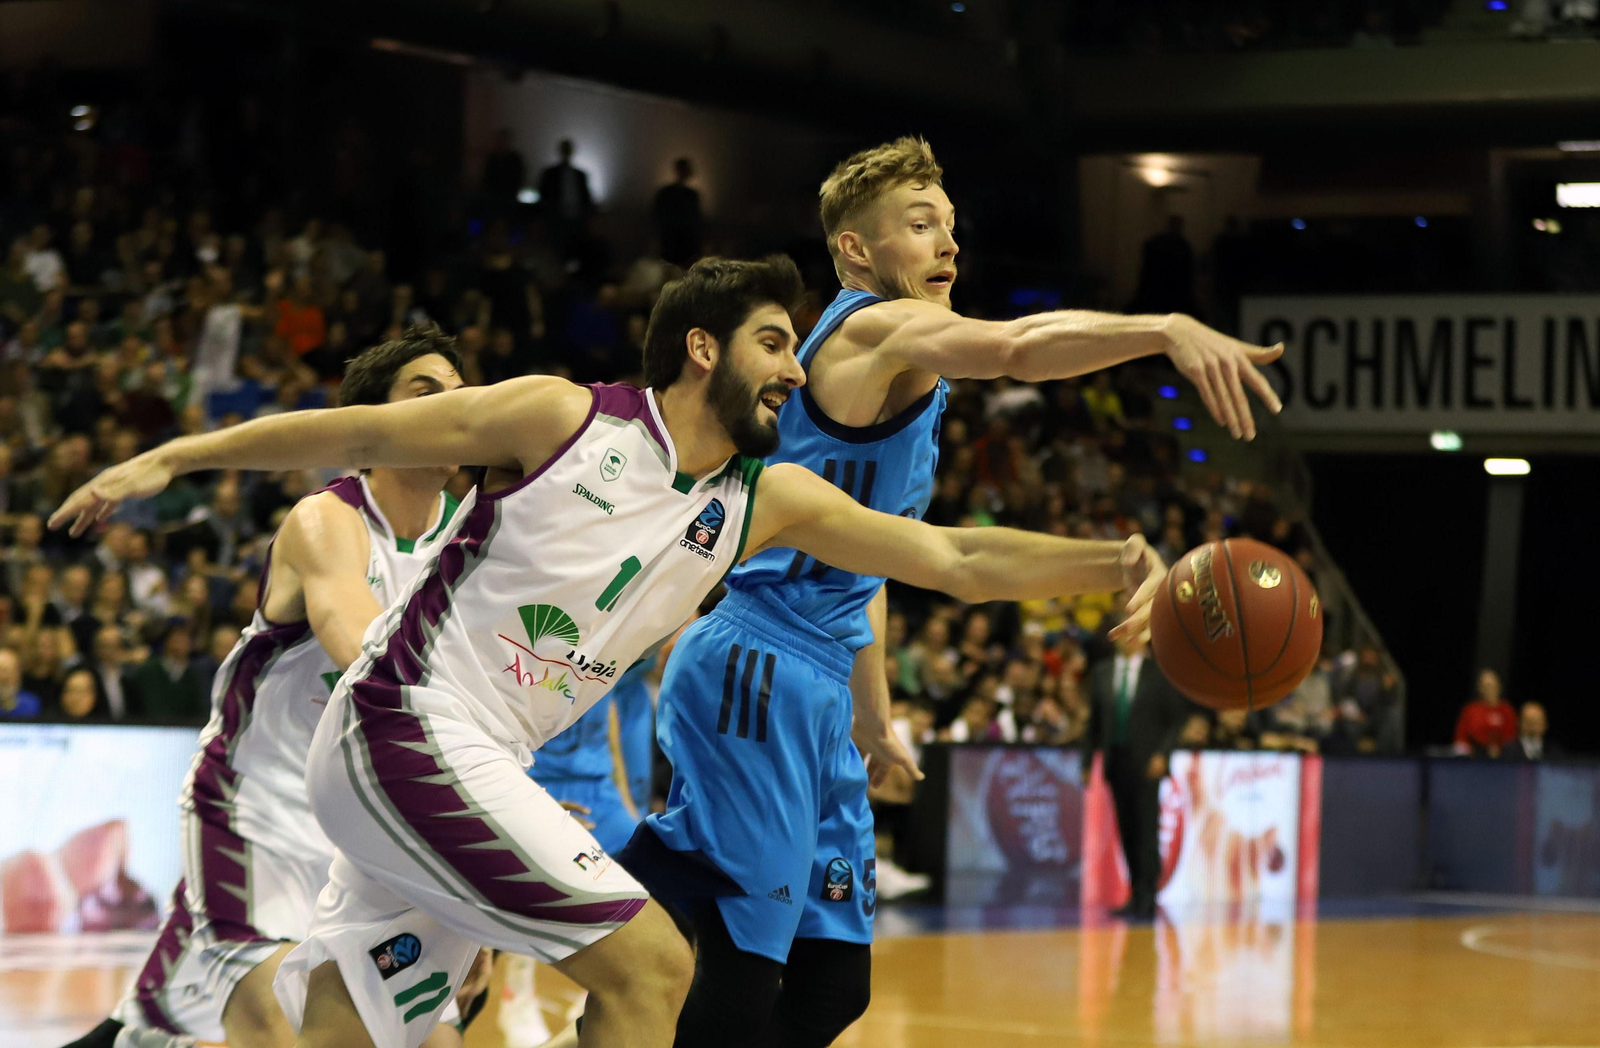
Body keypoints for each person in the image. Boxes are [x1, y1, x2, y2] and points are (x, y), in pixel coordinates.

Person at [51, 254, 1172, 1048]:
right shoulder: (563, 418)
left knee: (347, 1027)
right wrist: (173, 459)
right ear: (701, 349)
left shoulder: (762, 497)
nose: (797, 369)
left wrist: (1117, 561)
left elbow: (956, 558)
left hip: (460, 762)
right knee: (649, 967)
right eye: (774, 343)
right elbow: (358, 432)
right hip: (406, 730)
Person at [628, 138, 1282, 1047]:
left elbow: (883, 570)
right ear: (857, 251)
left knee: (833, 984)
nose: (949, 245)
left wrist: (875, 716)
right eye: (920, 225)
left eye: (951, 226)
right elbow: (1016, 350)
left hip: (815, 678)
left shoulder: (909, 383)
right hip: (757, 660)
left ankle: (620, 951)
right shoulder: (869, 329)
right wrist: (1164, 327)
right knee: (746, 963)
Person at [60, 325, 478, 1048]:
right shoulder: (327, 520)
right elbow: (375, 666)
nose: (453, 405)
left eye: (460, 392)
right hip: (261, 815)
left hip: (372, 836)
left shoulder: (472, 535)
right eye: (426, 391)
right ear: (371, 424)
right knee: (277, 1031)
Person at [500, 655, 656, 1048]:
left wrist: (625, 801)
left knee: (654, 887)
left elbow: (613, 720)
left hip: (597, 786)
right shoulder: (533, 641)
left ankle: (592, 1006)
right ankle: (514, 994)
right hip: (539, 780)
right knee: (523, 898)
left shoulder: (609, 641)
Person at [1081, 637, 1190, 919]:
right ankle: (1133, 892)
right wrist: (1087, 761)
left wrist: (1163, 754)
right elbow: (1094, 721)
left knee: (1146, 829)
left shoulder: (1159, 671)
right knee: (1126, 829)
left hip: (1146, 762)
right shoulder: (1102, 672)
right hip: (1115, 759)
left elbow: (1176, 719)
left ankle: (1148, 896)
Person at [538, 138, 594, 250]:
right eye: (565, 150)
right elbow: (543, 195)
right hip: (556, 219)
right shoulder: (550, 174)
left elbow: (587, 197)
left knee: (576, 248)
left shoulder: (579, 175)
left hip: (577, 219)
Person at [1453, 668, 1518, 757]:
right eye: (1485, 686)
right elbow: (1461, 738)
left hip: (1502, 758)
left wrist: (1499, 750)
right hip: (1474, 757)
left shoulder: (1507, 710)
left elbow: (1511, 738)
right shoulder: (1470, 710)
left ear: (1499, 687)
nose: (1489, 689)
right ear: (1480, 689)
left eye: (1492, 686)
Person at [652, 159, 705, 268]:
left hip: (684, 245)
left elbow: (697, 221)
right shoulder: (667, 193)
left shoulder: (690, 195)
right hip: (672, 244)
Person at [0, 645, 42, 721]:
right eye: (0, 670)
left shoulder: (31, 704)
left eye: (7, 671)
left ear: (18, 674)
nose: (3, 677)